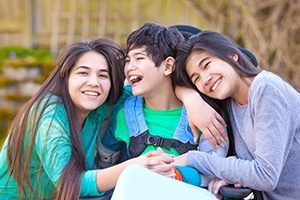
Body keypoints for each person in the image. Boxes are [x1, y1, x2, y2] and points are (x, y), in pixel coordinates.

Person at [0, 38, 175, 199]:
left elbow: (153, 88)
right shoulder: (49, 116)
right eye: (83, 73)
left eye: (103, 75)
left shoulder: (99, 104)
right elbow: (70, 183)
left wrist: (192, 98)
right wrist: (134, 167)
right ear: (65, 77)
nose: (94, 82)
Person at [99, 22, 230, 188]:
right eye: (127, 60)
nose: (130, 67)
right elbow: (105, 165)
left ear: (168, 66)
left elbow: (212, 171)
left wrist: (175, 173)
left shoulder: (204, 115)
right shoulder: (124, 114)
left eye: (139, 58)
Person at [173, 30, 300, 199]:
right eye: (196, 78)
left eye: (207, 65)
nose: (205, 79)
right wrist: (190, 98)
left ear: (232, 55)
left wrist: (194, 159)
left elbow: (265, 175)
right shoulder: (229, 103)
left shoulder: (266, 88)